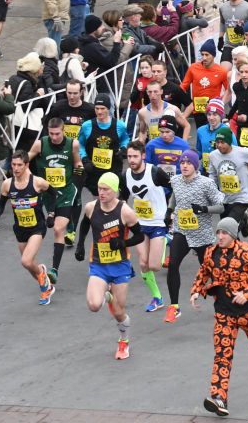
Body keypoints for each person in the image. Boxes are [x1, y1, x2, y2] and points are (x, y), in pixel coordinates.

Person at [190, 217, 248, 417]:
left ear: (233, 235)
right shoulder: (211, 252)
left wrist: (247, 294)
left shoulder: (247, 251)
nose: (220, 236)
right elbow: (203, 272)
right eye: (218, 232)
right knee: (222, 355)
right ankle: (218, 398)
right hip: (224, 313)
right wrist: (196, 290)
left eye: (224, 233)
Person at [74, 171, 143, 359]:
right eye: (99, 189)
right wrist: (80, 244)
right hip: (99, 264)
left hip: (120, 266)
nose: (101, 192)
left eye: (105, 189)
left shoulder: (125, 212)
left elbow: (140, 236)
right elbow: (85, 224)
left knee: (119, 312)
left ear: (115, 191)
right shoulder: (91, 207)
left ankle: (124, 341)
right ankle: (105, 294)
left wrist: (123, 243)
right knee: (94, 305)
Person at [164, 150, 225, 324]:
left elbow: (220, 207)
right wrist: (169, 211)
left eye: (188, 163)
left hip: (202, 235)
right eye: (182, 162)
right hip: (182, 231)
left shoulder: (206, 183)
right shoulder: (175, 180)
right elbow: (174, 197)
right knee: (173, 263)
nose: (184, 165)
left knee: (211, 270)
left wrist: (204, 209)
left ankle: (221, 305)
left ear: (195, 166)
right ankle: (174, 307)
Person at [0, 151, 55, 305]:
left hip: (37, 228)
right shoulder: (7, 184)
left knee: (26, 261)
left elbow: (52, 193)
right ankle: (45, 280)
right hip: (20, 229)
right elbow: (2, 203)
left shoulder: (37, 182)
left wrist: (51, 214)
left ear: (26, 165)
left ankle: (45, 288)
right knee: (30, 266)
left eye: (19, 165)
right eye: (13, 165)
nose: (16, 168)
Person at [27, 117, 81, 284]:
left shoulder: (72, 144)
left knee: (58, 229)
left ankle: (54, 270)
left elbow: (77, 162)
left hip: (65, 191)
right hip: (47, 193)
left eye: (57, 134)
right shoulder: (40, 144)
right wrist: (29, 178)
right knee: (55, 223)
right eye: (51, 134)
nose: (55, 137)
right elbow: (25, 160)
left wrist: (80, 168)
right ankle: (71, 222)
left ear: (63, 131)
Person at [121, 140, 170, 312]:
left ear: (143, 156)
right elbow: (123, 197)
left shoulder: (155, 172)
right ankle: (157, 297)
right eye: (129, 157)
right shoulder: (126, 175)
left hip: (158, 222)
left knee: (155, 265)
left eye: (135, 156)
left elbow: (173, 188)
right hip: (140, 223)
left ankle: (166, 238)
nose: (132, 160)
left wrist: (170, 212)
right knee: (143, 263)